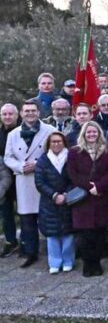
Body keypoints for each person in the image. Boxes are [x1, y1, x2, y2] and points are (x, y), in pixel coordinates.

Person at [4, 100, 57, 267]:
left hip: (44, 179)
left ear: (38, 112)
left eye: (33, 110)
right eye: (26, 111)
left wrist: (37, 164)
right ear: (21, 114)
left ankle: (53, 253)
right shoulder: (13, 134)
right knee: (27, 220)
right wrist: (20, 167)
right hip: (23, 180)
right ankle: (31, 253)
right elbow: (8, 157)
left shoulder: (50, 131)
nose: (30, 113)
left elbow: (57, 151)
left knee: (48, 218)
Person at [67, 121, 108, 277]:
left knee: (99, 234)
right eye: (88, 132)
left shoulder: (107, 151)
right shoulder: (75, 151)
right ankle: (88, 265)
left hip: (101, 197)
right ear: (83, 134)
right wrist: (89, 187)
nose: (91, 135)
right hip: (84, 198)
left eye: (94, 132)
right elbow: (72, 173)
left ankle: (97, 264)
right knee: (86, 235)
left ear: (99, 133)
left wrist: (99, 187)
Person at [34, 131, 74, 274]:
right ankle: (55, 262)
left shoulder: (71, 158)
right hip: (49, 202)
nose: (56, 144)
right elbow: (39, 182)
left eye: (59, 141)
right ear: (49, 144)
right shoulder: (43, 160)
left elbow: (74, 179)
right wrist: (54, 195)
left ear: (64, 142)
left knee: (67, 233)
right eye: (53, 141)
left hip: (67, 200)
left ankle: (68, 260)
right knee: (52, 234)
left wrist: (65, 195)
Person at [0, 103, 20, 258]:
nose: (7, 117)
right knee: (6, 212)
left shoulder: (22, 131)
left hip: (21, 176)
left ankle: (28, 241)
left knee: (26, 212)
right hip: (4, 179)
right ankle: (10, 240)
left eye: (10, 114)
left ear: (17, 114)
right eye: (4, 114)